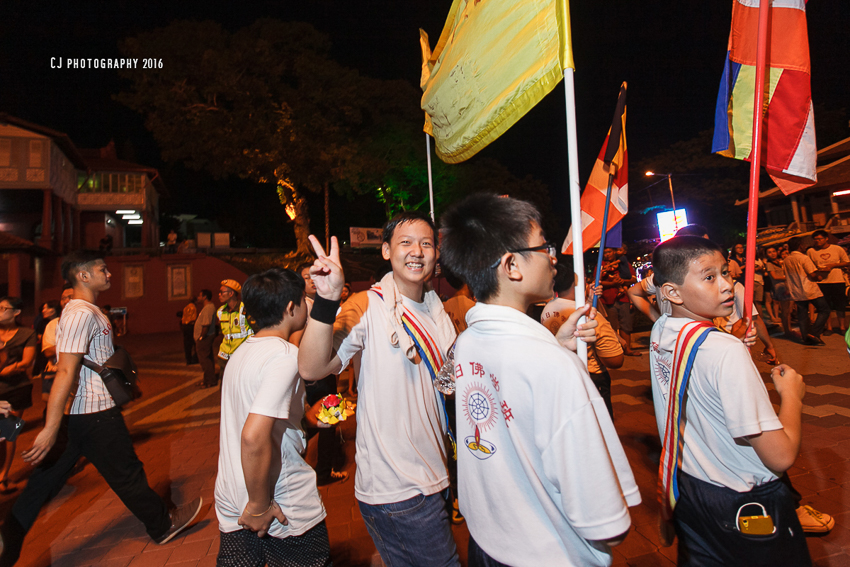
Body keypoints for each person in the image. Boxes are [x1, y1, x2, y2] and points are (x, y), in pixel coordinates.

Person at [440, 193, 640, 566]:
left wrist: (555, 346)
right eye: (544, 245)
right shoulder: (552, 367)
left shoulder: (467, 343)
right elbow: (607, 524)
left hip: (487, 543)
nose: (553, 257)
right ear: (512, 265)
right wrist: (556, 358)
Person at [0, 251, 202, 566]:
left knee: (42, 483)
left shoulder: (86, 311)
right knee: (127, 474)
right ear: (83, 275)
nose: (109, 274)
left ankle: (6, 543)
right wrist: (50, 429)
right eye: (102, 269)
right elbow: (65, 370)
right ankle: (163, 525)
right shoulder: (80, 313)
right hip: (95, 413)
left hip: (82, 415)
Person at [298, 212, 460, 566]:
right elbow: (311, 368)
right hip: (399, 488)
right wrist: (326, 301)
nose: (417, 251)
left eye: (427, 243)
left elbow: (450, 382)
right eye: (405, 242)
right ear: (386, 251)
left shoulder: (436, 309)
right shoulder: (366, 305)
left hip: (434, 475)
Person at [648, 236, 811, 565]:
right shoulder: (724, 351)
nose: (726, 286)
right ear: (672, 292)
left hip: (693, 489)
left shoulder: (662, 330)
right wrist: (792, 396)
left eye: (726, 273)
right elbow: (779, 457)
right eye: (709, 277)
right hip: (745, 499)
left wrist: (728, 339)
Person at [215, 268, 333, 567]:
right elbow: (253, 435)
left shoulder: (241, 352)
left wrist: (305, 420)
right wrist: (258, 505)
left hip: (232, 496)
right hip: (279, 502)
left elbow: (252, 415)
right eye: (305, 298)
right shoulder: (285, 357)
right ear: (291, 308)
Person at [542, 259, 624, 417]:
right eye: (585, 281)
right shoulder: (590, 317)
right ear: (576, 284)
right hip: (592, 377)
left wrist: (589, 300)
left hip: (565, 374)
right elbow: (615, 360)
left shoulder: (548, 308)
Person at [0, 297, 36, 493]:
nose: (0, 311)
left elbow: (27, 361)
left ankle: (3, 476)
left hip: (16, 389)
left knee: (7, 434)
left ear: (16, 313)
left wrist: (13, 367)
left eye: (4, 308)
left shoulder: (26, 334)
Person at [784, 236, 829, 345]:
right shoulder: (804, 258)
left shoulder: (786, 259)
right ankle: (814, 332)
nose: (804, 246)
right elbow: (812, 274)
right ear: (800, 246)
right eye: (803, 244)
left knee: (802, 314)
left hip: (796, 290)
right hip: (809, 289)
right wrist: (820, 276)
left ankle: (806, 338)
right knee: (825, 309)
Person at [808, 230, 849, 335]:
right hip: (822, 282)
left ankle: (842, 327)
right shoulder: (811, 251)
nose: (817, 241)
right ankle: (829, 327)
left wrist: (833, 265)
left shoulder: (837, 249)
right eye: (815, 239)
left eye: (820, 239)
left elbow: (846, 262)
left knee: (840, 305)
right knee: (826, 306)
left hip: (837, 280)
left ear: (826, 238)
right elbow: (809, 266)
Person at [600, 247, 638, 355]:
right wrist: (612, 284)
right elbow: (598, 281)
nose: (607, 254)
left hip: (624, 298)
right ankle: (615, 350)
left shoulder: (624, 263)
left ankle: (627, 348)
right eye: (605, 252)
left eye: (609, 252)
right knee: (611, 326)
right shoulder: (601, 265)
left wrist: (623, 281)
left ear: (614, 252)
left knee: (626, 324)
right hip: (608, 299)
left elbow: (633, 279)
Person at [40, 286, 74, 400]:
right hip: (57, 376)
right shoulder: (53, 325)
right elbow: (48, 351)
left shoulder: (96, 321)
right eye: (63, 298)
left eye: (70, 297)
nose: (66, 301)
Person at [217, 279, 253, 375]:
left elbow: (257, 331)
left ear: (231, 293)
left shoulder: (245, 309)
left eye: (222, 292)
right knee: (224, 386)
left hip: (242, 356)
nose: (219, 294)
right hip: (224, 356)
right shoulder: (220, 312)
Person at [194, 289, 218, 388]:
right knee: (207, 358)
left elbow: (206, 324)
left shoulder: (208, 308)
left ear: (204, 297)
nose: (198, 298)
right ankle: (208, 379)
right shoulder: (207, 307)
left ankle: (209, 381)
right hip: (206, 337)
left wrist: (201, 337)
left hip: (205, 338)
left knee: (204, 360)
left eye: (200, 296)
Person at [180, 298, 198, 365]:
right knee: (195, 343)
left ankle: (188, 360)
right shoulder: (193, 308)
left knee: (187, 344)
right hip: (191, 326)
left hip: (184, 326)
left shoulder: (185, 307)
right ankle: (195, 359)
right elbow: (194, 318)